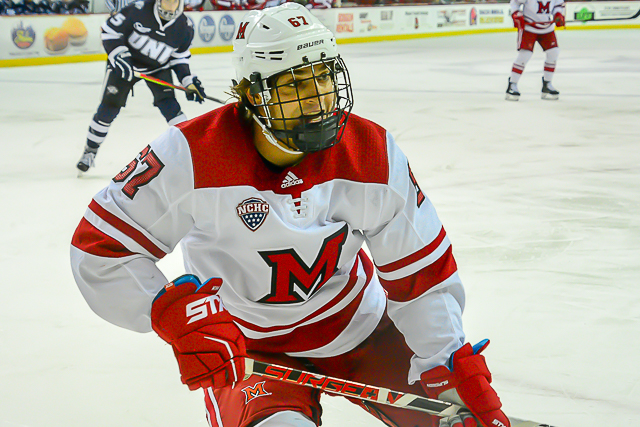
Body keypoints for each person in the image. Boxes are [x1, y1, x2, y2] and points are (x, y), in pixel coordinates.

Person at [70, 3, 512, 427]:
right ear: (251, 94)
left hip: (358, 326)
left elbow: (421, 273)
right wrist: (166, 311)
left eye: (324, 77)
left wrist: (445, 359)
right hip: (248, 348)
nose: (318, 99)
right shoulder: (188, 155)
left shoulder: (372, 151)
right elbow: (100, 250)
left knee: (462, 418)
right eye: (295, 85)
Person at [76, 0, 206, 174]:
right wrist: (119, 55)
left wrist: (188, 81)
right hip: (126, 65)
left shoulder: (185, 26)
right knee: (108, 109)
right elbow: (109, 30)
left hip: (158, 69)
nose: (170, 5)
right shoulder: (138, 9)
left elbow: (179, 58)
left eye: (174, 1)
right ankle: (90, 151)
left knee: (171, 107)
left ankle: (192, 153)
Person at [506, 0, 565, 101]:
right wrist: (516, 13)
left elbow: (558, 5)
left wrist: (558, 14)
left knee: (553, 52)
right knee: (525, 54)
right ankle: (512, 83)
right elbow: (515, 2)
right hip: (528, 27)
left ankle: (547, 84)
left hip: (547, 28)